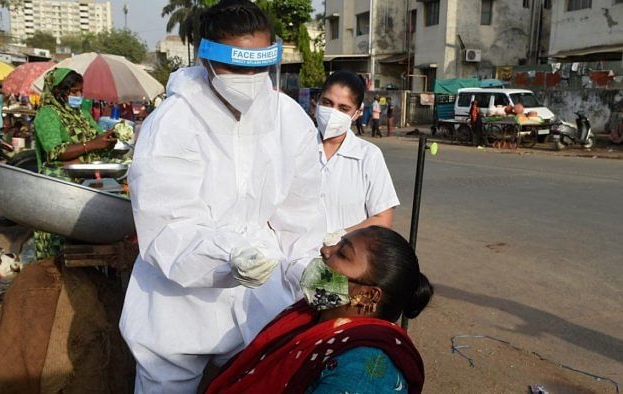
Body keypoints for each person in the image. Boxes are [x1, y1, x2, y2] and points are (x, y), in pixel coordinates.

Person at [119, 1, 325, 392]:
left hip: (259, 297)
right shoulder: (173, 122)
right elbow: (168, 225)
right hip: (177, 302)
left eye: (257, 67)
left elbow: (301, 214)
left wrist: (307, 268)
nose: (248, 78)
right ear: (206, 58)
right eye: (235, 67)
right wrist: (226, 255)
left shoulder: (289, 120)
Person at [206, 226, 433, 393]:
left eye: (343, 254)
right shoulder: (309, 315)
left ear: (367, 295)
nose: (326, 249)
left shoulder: (362, 371)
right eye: (336, 243)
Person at [33, 68, 117, 258]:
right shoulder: (47, 114)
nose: (79, 96)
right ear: (58, 92)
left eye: (81, 91)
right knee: (58, 245)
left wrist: (108, 140)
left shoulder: (81, 114)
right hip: (60, 186)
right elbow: (55, 151)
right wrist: (92, 144)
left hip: (87, 180)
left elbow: (97, 139)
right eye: (74, 92)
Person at [314, 71, 399, 247]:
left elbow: (383, 218)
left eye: (343, 108)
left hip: (346, 260)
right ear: (317, 100)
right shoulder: (297, 147)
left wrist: (340, 237)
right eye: (327, 103)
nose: (332, 113)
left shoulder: (368, 156)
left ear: (357, 113)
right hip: (294, 262)